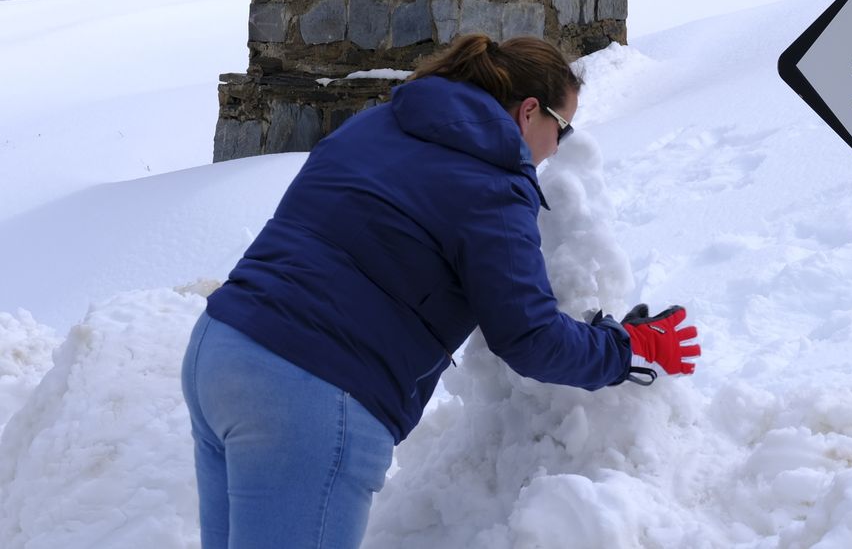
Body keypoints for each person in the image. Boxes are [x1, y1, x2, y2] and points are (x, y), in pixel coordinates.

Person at [181, 33, 699, 549]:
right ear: (529, 113)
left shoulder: (382, 122)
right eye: (562, 129)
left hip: (220, 349)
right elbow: (529, 337)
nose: (559, 148)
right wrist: (628, 346)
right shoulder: (494, 183)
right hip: (308, 392)